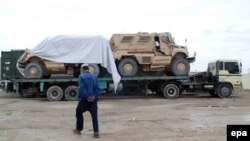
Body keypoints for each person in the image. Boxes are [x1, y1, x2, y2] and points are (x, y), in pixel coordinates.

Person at [73, 63, 100, 138]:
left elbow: (81, 88)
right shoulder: (94, 76)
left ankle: (78, 129)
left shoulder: (81, 76)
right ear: (88, 68)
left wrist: (87, 97)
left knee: (78, 112)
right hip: (93, 101)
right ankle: (96, 132)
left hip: (84, 100)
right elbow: (97, 89)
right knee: (94, 116)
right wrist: (94, 97)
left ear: (82, 69)